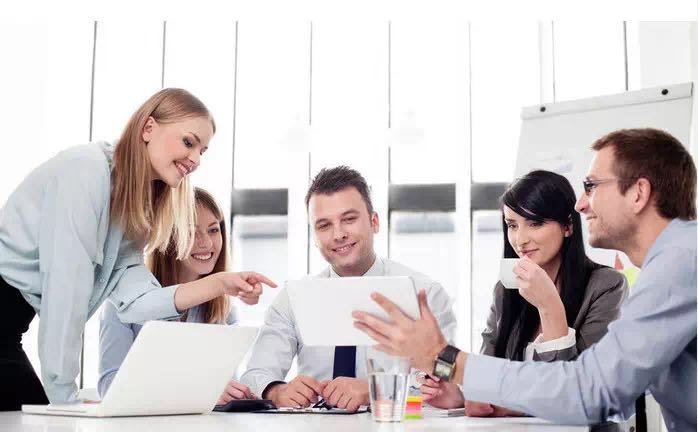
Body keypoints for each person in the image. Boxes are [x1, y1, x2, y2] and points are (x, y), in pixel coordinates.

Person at [353, 128, 696, 431]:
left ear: (638, 193)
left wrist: (446, 358)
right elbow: (614, 391)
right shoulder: (673, 262)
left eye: (591, 186)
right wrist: (462, 391)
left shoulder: (678, 263)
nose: (581, 204)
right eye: (512, 225)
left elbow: (593, 392)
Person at [0, 88, 276, 410]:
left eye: (202, 151)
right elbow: (66, 291)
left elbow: (137, 303)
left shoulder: (135, 211)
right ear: (148, 128)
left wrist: (220, 283)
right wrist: (65, 403)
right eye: (189, 142)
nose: (196, 160)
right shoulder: (85, 171)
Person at [240, 166, 457, 412]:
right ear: (314, 236)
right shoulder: (292, 299)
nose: (339, 234)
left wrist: (376, 388)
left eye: (349, 219)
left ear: (374, 222)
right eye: (324, 225)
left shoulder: (426, 294)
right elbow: (255, 375)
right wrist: (277, 391)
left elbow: (447, 380)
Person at [420, 170, 627, 417]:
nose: (520, 239)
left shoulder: (607, 286)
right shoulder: (506, 289)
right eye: (512, 225)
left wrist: (549, 306)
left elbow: (576, 393)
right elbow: (489, 373)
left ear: (568, 226)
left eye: (535, 223)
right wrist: (460, 397)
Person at [99, 187, 256, 404]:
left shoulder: (224, 309)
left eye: (213, 230)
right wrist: (197, 390)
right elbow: (109, 387)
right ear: (167, 237)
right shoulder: (124, 301)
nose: (207, 243)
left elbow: (226, 385)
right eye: (191, 232)